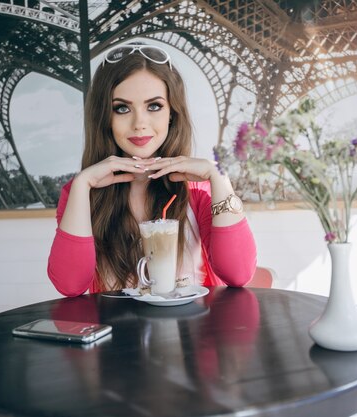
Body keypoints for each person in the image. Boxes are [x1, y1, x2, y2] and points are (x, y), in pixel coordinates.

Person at [47, 42, 257, 297]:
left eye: (154, 106)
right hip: (118, 336)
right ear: (105, 117)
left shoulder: (199, 191)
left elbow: (239, 273)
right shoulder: (80, 193)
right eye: (122, 108)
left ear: (172, 113)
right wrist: (81, 185)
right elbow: (70, 285)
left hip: (193, 333)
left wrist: (219, 177)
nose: (140, 123)